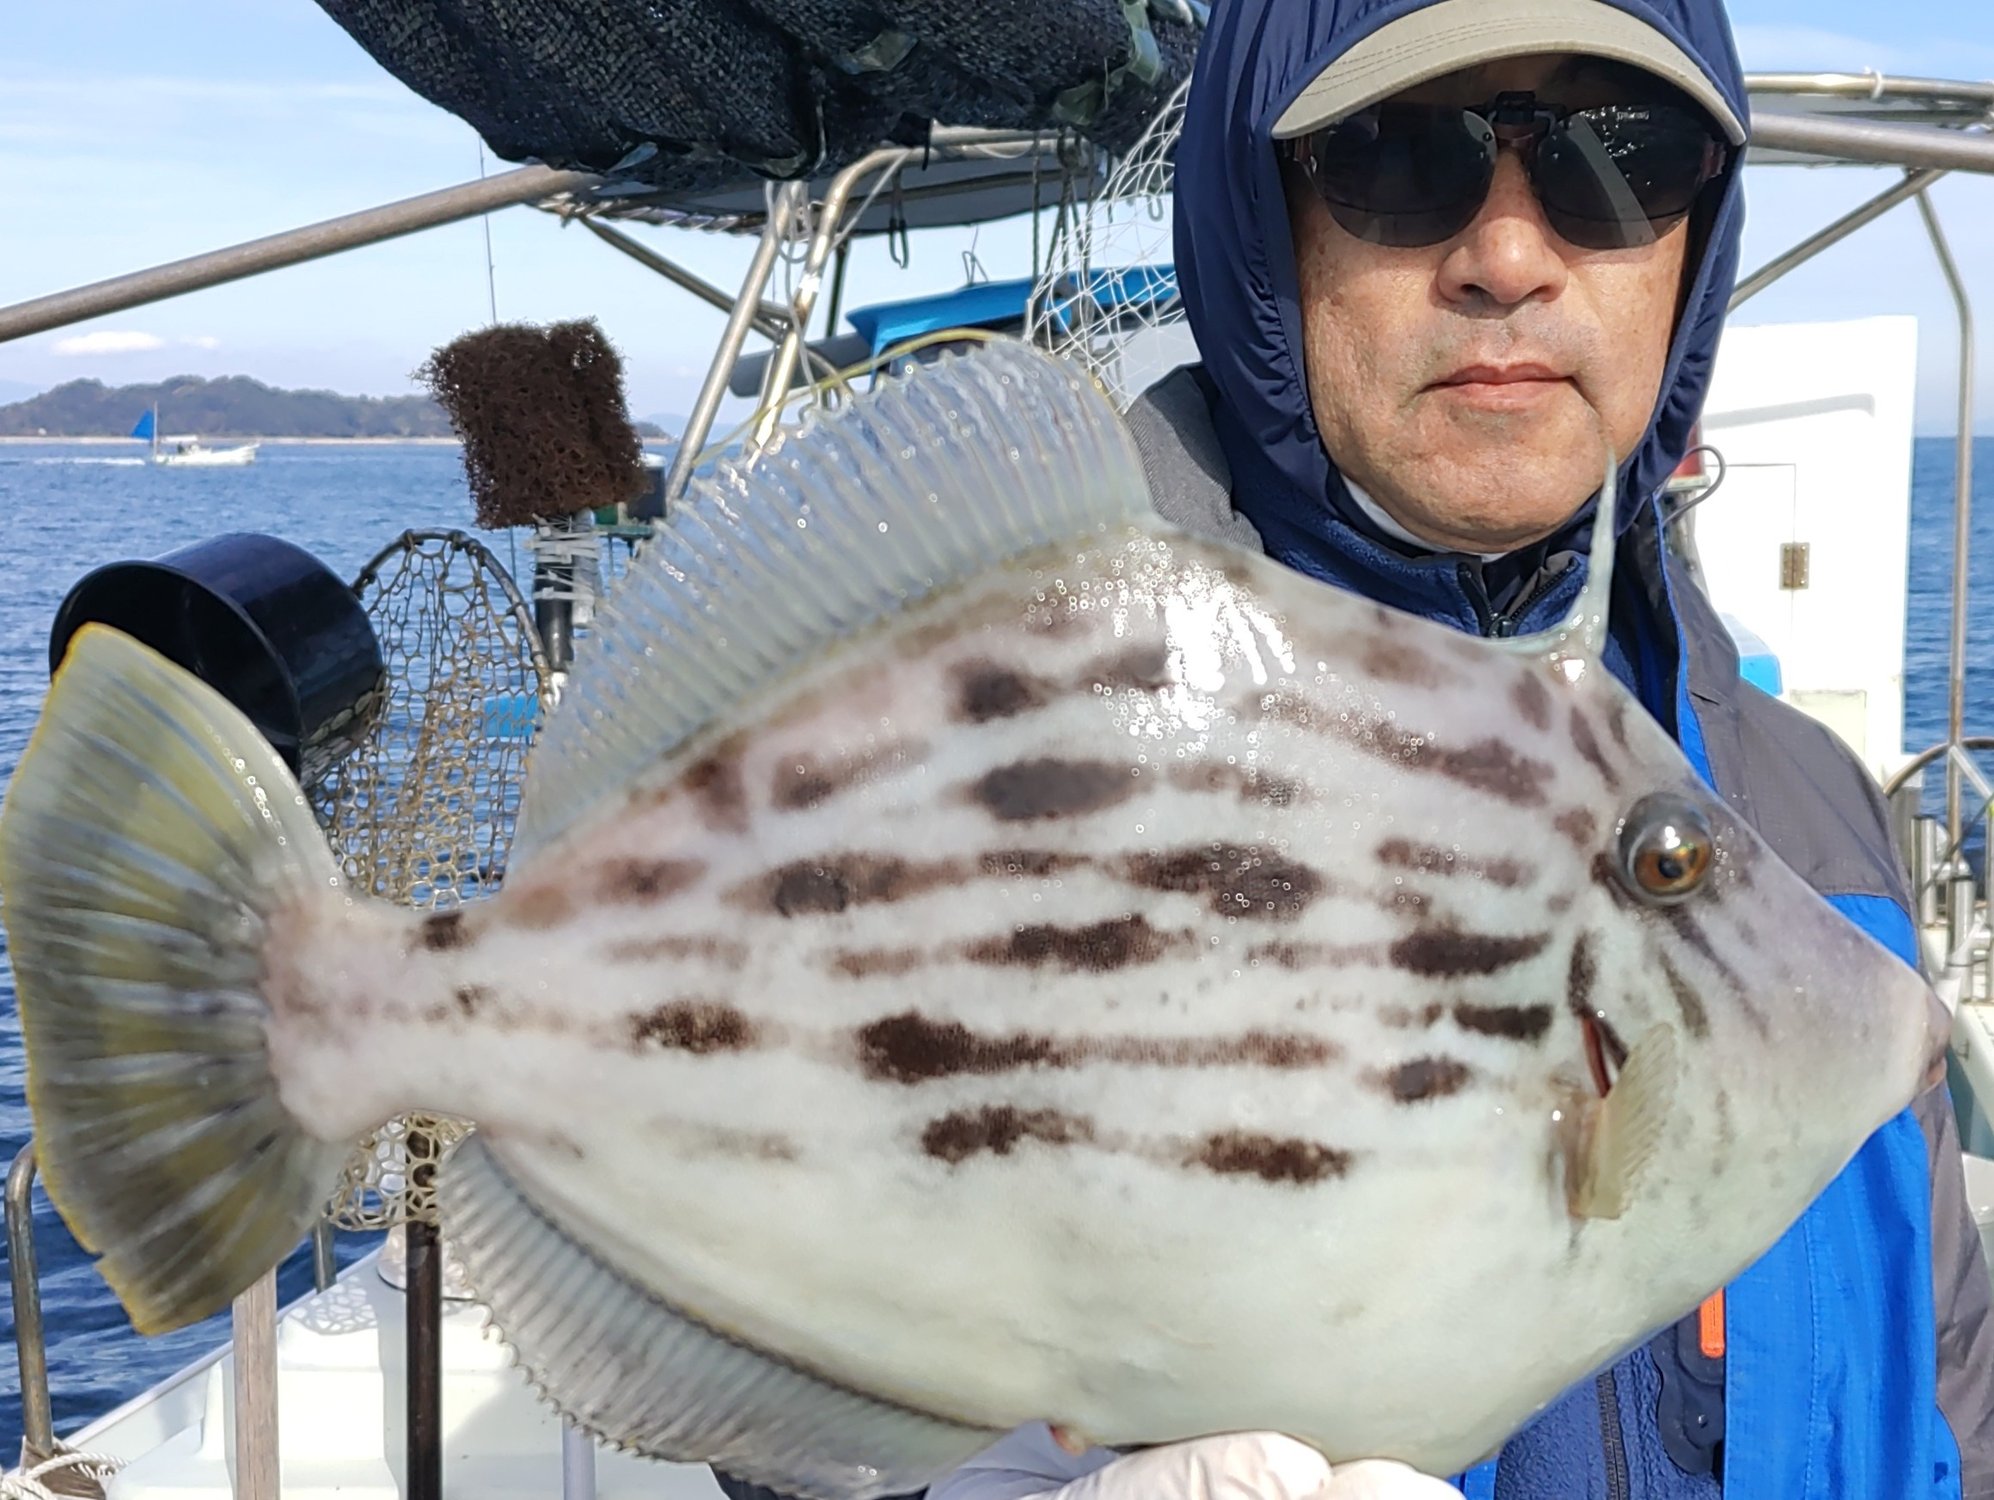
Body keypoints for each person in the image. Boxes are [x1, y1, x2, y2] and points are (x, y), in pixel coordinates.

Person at [721, 0, 1994, 1495]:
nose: (1508, 257)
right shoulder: (997, 739)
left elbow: (1949, 1400)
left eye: (1619, 158)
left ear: (1690, 247)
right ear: (1265, 231)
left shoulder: (1813, 815)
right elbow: (769, 1345)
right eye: (1400, 157)